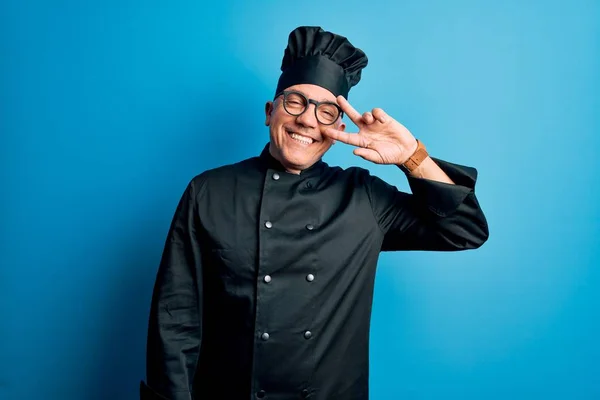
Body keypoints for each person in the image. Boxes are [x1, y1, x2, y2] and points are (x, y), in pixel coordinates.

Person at [139, 26, 489, 400]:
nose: (307, 120)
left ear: (338, 128)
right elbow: (176, 320)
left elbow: (464, 231)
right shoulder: (209, 191)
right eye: (295, 103)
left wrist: (411, 158)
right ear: (270, 112)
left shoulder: (363, 197)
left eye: (326, 112)